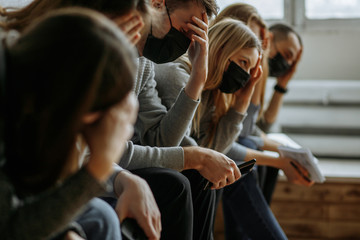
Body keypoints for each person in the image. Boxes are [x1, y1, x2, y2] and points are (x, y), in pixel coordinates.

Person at [2, 1, 243, 239]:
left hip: (72, 173)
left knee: (106, 214)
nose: (189, 42)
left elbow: (158, 141)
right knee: (159, 190)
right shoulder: (65, 61)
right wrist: (108, 168)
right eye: (186, 31)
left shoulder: (134, 62)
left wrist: (198, 79)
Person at [0, 8, 142, 240]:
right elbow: (9, 229)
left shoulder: (31, 77)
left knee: (100, 217)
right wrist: (98, 168)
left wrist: (67, 229)